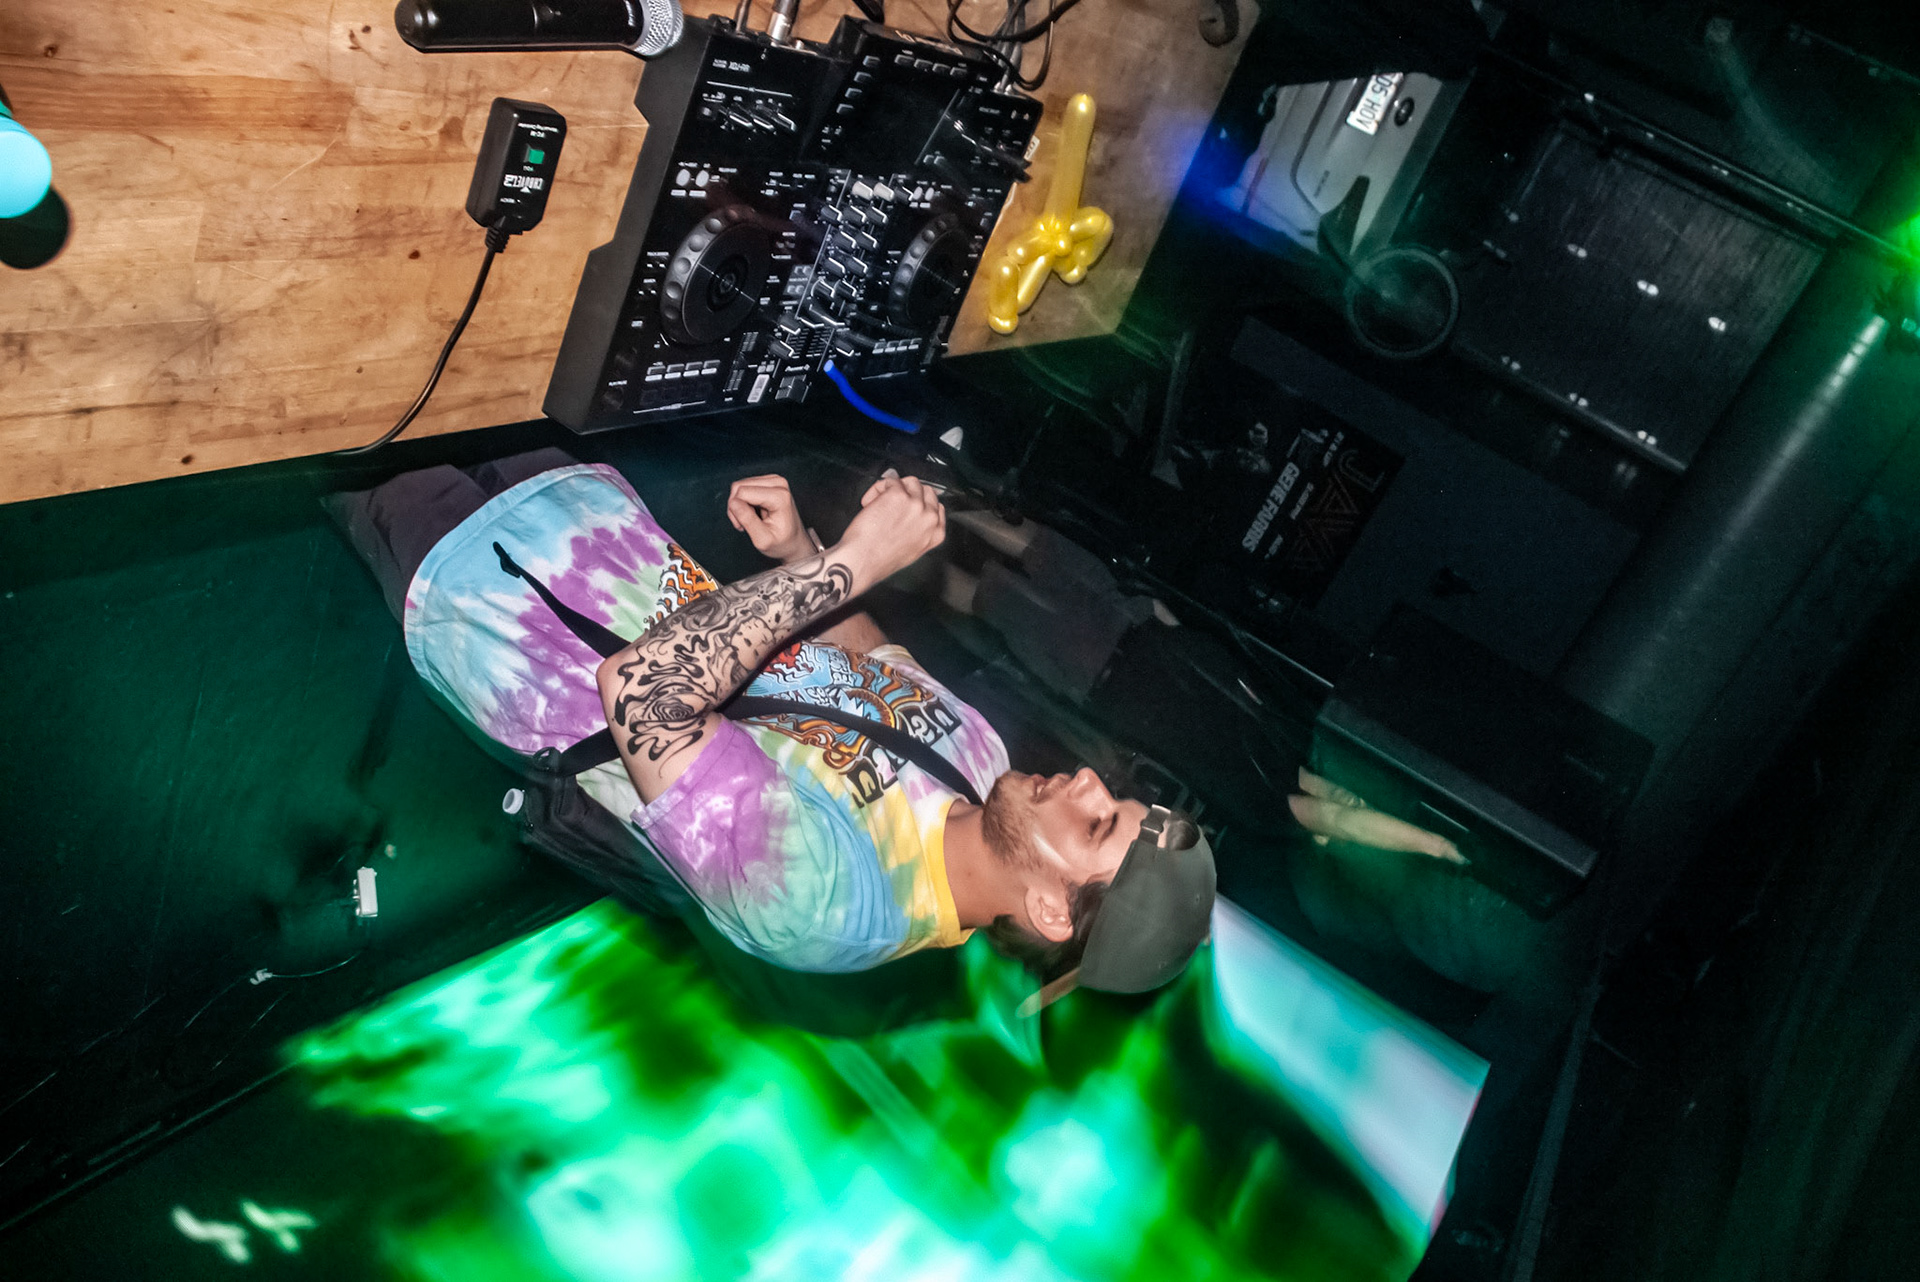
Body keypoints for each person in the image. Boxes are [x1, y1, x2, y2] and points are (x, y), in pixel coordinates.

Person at [326, 448, 1214, 1006]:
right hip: (595, 516)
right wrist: (804, 556)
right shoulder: (984, 759)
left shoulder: (832, 905)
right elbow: (865, 662)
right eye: (1115, 796)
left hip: (493, 596)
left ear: (1051, 909)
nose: (1090, 782)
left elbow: (641, 692)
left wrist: (854, 562)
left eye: (1097, 823)